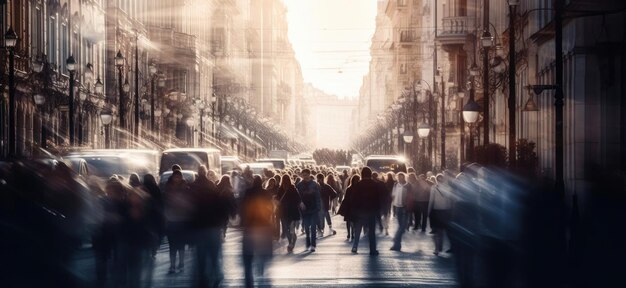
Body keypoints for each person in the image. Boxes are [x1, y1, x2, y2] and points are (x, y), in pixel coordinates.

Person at [190, 165, 225, 287]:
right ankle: (216, 274)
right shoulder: (211, 186)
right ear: (205, 173)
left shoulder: (193, 186)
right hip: (212, 225)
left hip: (199, 226)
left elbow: (191, 208)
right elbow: (219, 205)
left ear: (198, 173)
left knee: (200, 255)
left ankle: (202, 278)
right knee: (213, 254)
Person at [241, 175, 274, 287]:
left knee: (249, 250)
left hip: (250, 225)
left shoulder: (248, 192)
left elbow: (243, 207)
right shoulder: (266, 193)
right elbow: (270, 208)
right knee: (263, 248)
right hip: (263, 225)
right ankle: (261, 266)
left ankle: (249, 278)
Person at [164, 169, 192, 274]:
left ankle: (181, 264)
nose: (177, 179)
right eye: (175, 177)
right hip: (171, 220)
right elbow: (165, 203)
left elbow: (189, 203)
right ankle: (172, 265)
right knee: (172, 245)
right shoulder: (168, 188)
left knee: (180, 244)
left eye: (178, 177)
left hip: (182, 220)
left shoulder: (185, 188)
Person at [351, 167, 384, 255]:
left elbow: (354, 199)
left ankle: (355, 247)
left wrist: (354, 212)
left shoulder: (358, 185)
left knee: (358, 230)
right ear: (370, 174)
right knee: (372, 232)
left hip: (360, 211)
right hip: (371, 211)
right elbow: (378, 199)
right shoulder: (375, 184)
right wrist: (378, 211)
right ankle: (372, 250)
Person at [296, 169, 321, 252]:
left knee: (313, 227)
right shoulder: (299, 185)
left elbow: (318, 196)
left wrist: (318, 208)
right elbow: (297, 196)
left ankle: (313, 245)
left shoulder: (314, 185)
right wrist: (300, 203)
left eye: (306, 175)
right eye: (303, 175)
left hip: (313, 208)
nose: (304, 176)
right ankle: (308, 243)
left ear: (309, 175)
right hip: (305, 209)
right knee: (306, 227)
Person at [429, 174, 453, 255]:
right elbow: (450, 200)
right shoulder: (449, 188)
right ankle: (440, 246)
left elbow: (431, 200)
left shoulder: (434, 187)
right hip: (445, 211)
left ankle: (437, 248)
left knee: (436, 231)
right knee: (443, 230)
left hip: (436, 210)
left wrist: (429, 211)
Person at [278, 174, 303, 253]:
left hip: (284, 212)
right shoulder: (293, 188)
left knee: (286, 229)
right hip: (293, 212)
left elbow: (277, 199)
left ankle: (290, 243)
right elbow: (298, 199)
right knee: (292, 230)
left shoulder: (280, 189)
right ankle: (292, 244)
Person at [390, 173, 411, 251]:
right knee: (400, 226)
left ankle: (396, 241)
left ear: (404, 177)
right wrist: (393, 207)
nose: (400, 179)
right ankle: (397, 245)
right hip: (398, 207)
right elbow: (393, 195)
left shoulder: (408, 185)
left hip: (405, 208)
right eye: (398, 177)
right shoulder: (395, 184)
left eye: (401, 177)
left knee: (402, 227)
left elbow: (411, 197)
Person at [338, 175, 360, 242]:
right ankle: (350, 233)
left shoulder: (349, 188)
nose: (356, 181)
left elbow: (346, 198)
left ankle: (351, 233)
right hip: (352, 206)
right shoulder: (355, 188)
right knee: (351, 220)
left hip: (352, 206)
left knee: (351, 220)